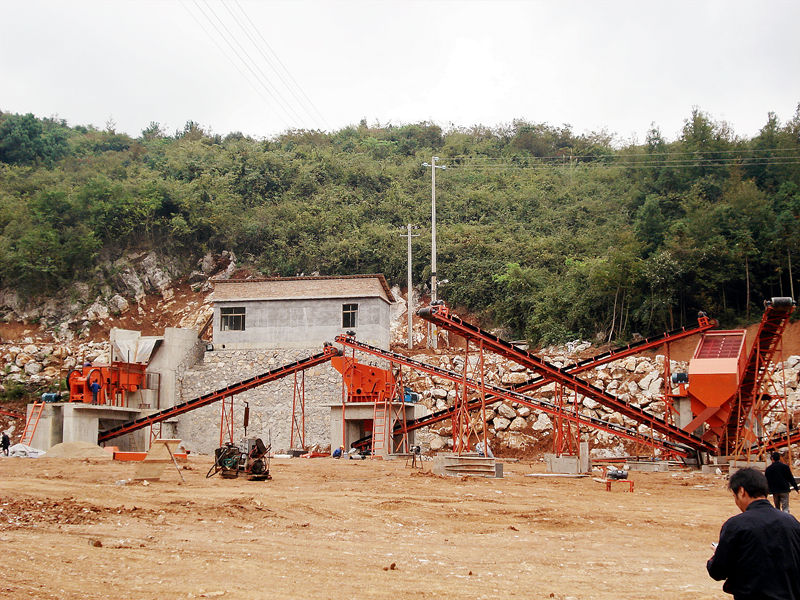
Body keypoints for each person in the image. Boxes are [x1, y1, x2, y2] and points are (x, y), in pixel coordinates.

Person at [707, 467, 800, 599]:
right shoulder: (792, 522)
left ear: (741, 491)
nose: (736, 502)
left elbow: (717, 571)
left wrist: (717, 554)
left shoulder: (736, 525)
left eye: (735, 496)